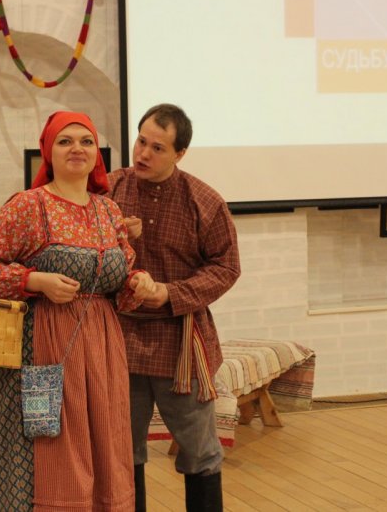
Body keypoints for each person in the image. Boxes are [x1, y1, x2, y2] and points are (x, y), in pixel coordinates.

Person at [0, 111, 157, 511]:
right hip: (44, 351)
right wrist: (35, 281)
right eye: (65, 141)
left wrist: (136, 283)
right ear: (48, 152)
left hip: (102, 351)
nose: (77, 149)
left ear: (96, 154)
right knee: (47, 437)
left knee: (104, 439)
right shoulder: (28, 206)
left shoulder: (109, 211)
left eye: (86, 141)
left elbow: (119, 289)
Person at [107, 103, 241, 512]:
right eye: (141, 142)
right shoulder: (109, 190)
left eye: (158, 148)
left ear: (180, 153)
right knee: (122, 451)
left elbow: (227, 267)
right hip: (119, 338)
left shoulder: (204, 201)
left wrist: (171, 293)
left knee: (200, 451)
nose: (143, 154)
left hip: (181, 341)